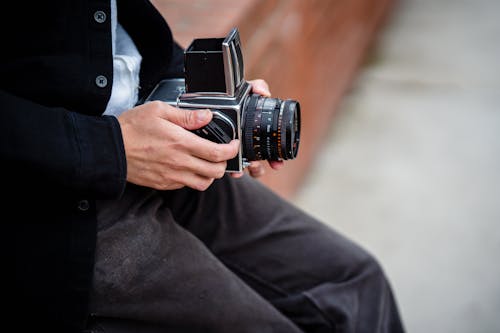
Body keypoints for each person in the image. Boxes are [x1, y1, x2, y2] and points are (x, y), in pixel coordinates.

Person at [2, 0, 405, 332]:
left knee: (354, 283)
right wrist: (110, 148)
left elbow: (103, 26)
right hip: (54, 200)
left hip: (164, 137)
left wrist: (203, 89)